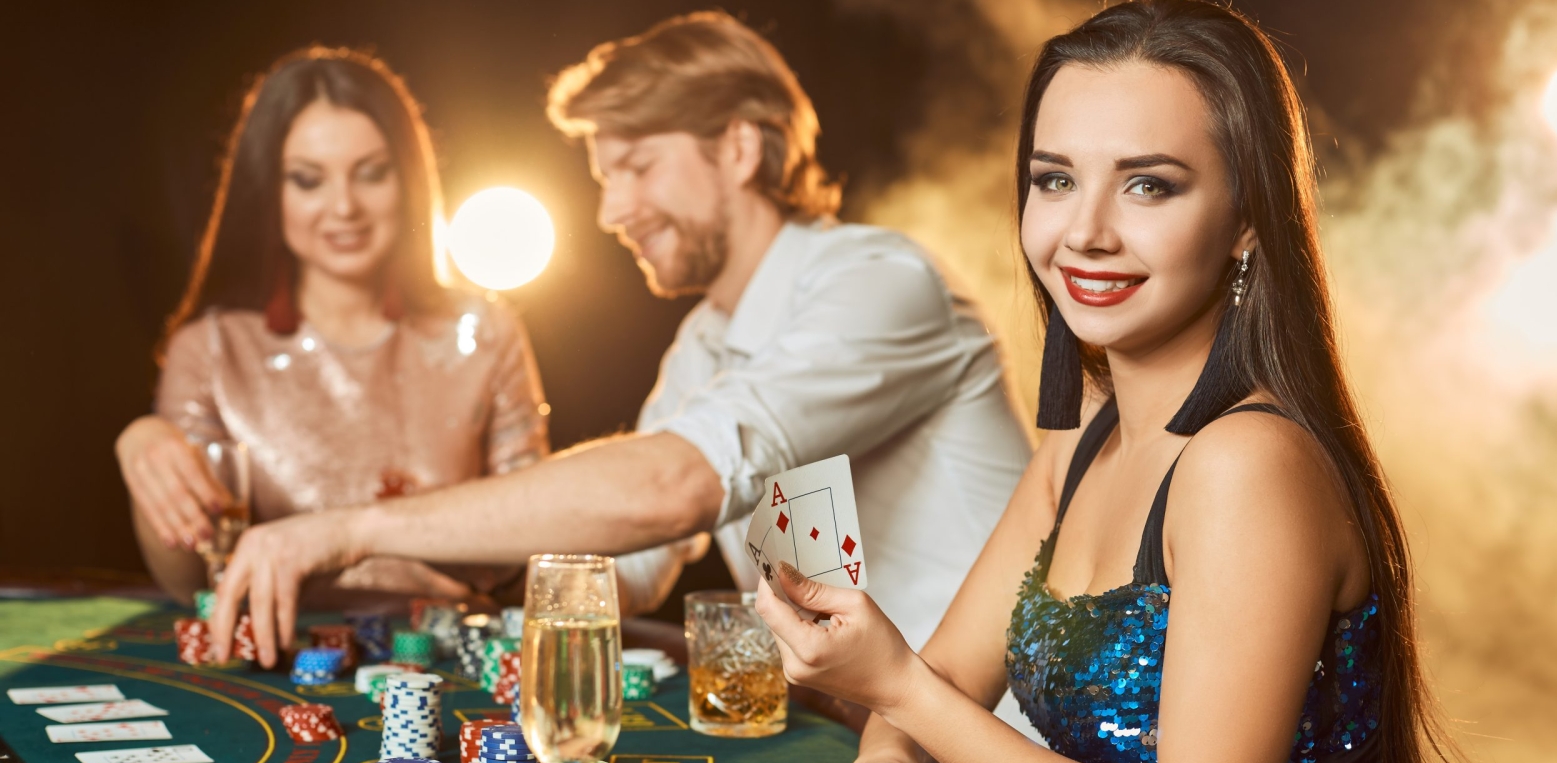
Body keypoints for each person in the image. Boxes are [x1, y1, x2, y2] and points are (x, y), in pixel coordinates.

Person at [741, 2, 1493, 763]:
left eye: (1150, 185)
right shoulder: (1083, 437)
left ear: (1249, 218)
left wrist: (899, 692)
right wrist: (886, 760)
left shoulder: (1248, 465)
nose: (1085, 232)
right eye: (1055, 179)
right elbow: (945, 674)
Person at [208, 12, 1035, 696]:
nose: (612, 210)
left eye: (637, 166)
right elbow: (627, 567)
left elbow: (669, 490)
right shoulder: (704, 346)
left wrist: (349, 529)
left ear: (740, 150)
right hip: (868, 745)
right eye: (605, 177)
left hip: (1005, 747)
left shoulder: (881, 280)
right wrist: (439, 570)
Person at [115, 47, 549, 640]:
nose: (344, 207)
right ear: (271, 191)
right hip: (279, 652)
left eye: (371, 173)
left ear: (408, 177)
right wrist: (146, 451)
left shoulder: (485, 331)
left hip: (443, 652)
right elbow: (191, 577)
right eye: (308, 180)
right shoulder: (211, 347)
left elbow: (535, 535)